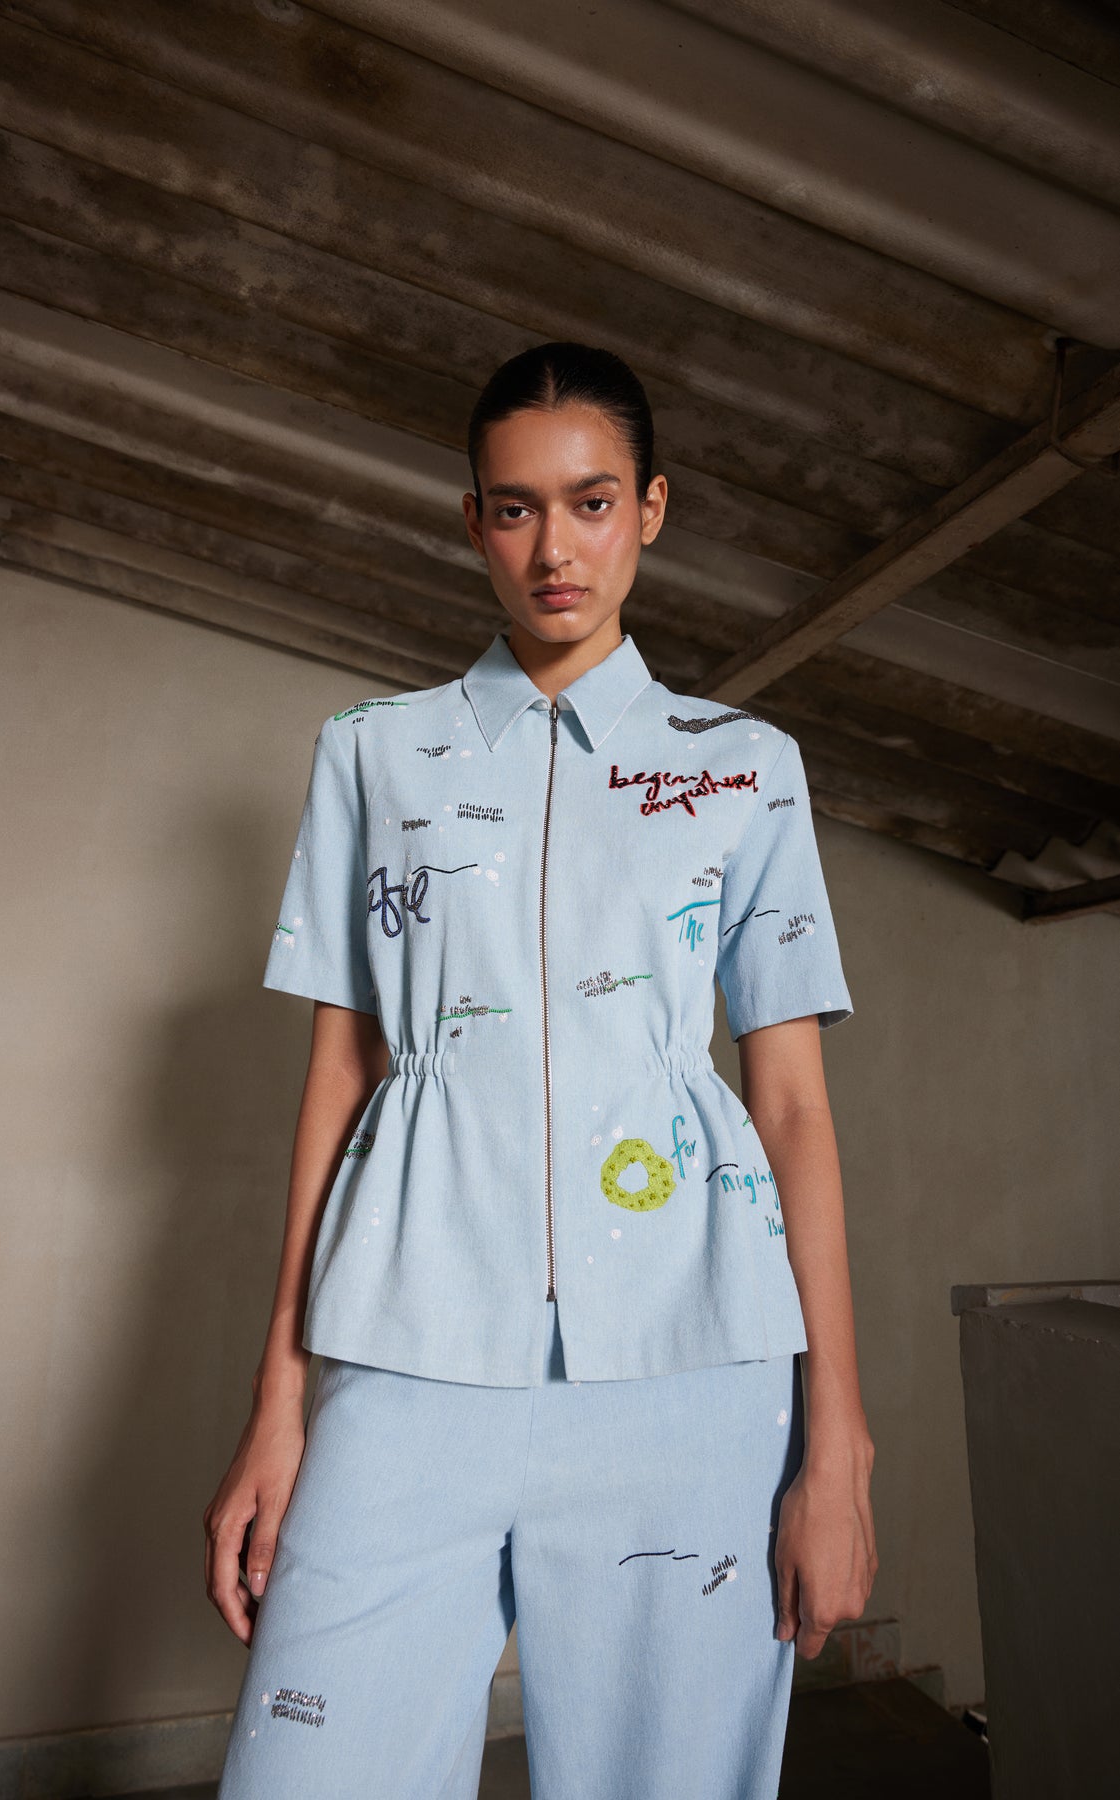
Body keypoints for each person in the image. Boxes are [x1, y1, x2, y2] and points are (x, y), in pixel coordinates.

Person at [205, 342, 877, 1799]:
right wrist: (281, 1398)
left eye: (590, 502)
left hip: (691, 1369)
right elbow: (341, 1076)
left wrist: (840, 1443)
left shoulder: (746, 766)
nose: (553, 548)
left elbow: (790, 1107)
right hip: (407, 1346)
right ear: (474, 523)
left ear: (650, 509)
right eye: (514, 509)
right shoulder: (373, 756)